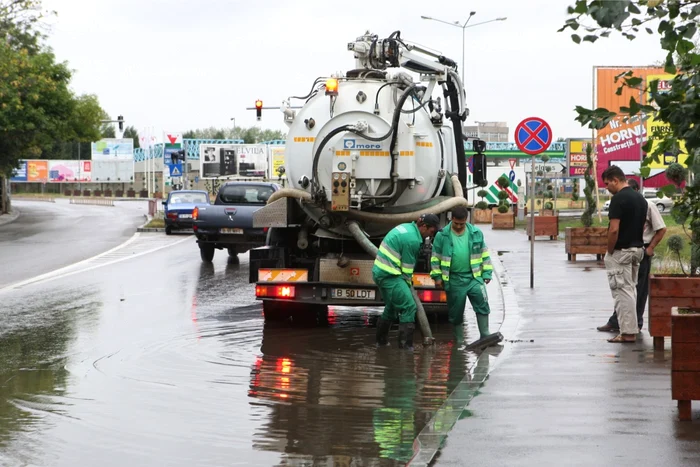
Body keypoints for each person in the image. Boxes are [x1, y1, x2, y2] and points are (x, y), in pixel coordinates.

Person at [597, 178, 667, 334]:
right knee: (623, 288)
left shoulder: (647, 205)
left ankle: (636, 324)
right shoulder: (627, 204)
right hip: (628, 250)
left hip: (641, 251)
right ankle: (618, 321)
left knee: (638, 290)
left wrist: (651, 248)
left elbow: (661, 228)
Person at [373, 213, 441, 349]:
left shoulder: (407, 227)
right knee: (409, 307)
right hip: (390, 275)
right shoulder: (413, 240)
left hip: (381, 272)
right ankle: (405, 350)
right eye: (431, 231)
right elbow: (407, 270)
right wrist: (409, 286)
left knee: (392, 307)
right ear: (424, 226)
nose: (430, 236)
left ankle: (381, 344)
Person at [430, 206, 494, 342]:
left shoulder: (476, 233)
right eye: (456, 223)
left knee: (482, 303)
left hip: (474, 277)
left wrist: (487, 273)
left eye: (462, 223)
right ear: (451, 219)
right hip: (454, 279)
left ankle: (485, 333)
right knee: (456, 311)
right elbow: (435, 257)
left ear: (467, 220)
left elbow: (484, 254)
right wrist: (437, 277)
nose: (459, 226)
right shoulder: (442, 235)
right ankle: (459, 340)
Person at [600, 166, 648, 343]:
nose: (607, 187)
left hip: (621, 251)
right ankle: (631, 329)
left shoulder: (618, 199)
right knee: (631, 291)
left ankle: (627, 333)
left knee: (622, 292)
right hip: (637, 250)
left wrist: (609, 250)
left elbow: (614, 230)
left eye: (607, 183)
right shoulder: (640, 199)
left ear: (615, 180)